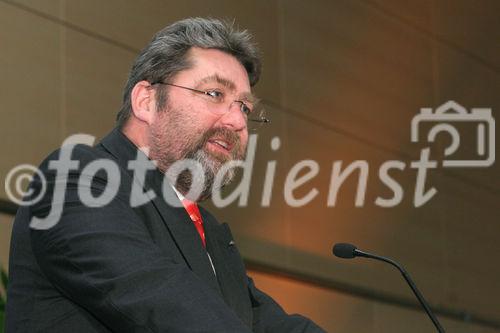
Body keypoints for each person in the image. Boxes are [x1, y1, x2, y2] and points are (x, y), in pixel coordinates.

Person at [6, 18, 326, 332]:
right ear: (146, 101)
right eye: (215, 94)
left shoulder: (209, 231)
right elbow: (163, 302)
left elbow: (266, 323)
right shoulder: (77, 180)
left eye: (244, 107)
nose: (238, 122)